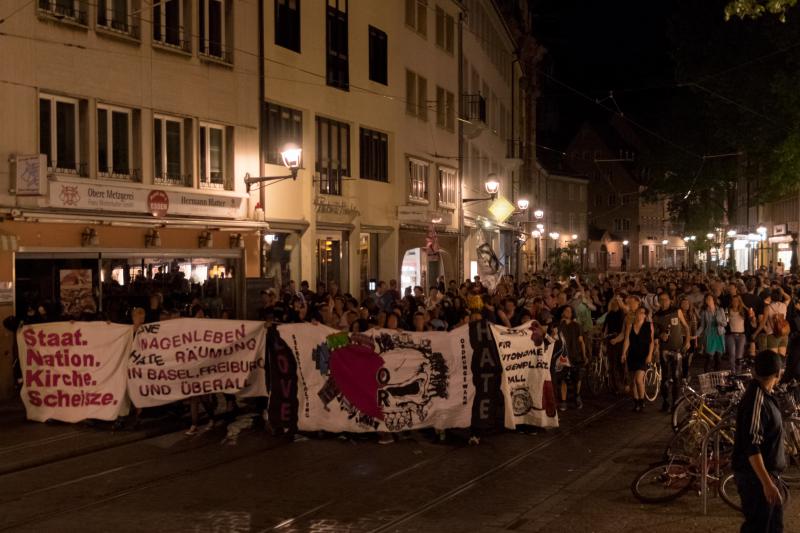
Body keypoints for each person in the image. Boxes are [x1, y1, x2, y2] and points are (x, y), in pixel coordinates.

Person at [732, 350, 787, 533]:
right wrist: (767, 484)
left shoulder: (765, 394)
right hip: (756, 480)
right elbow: (752, 445)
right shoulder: (757, 399)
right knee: (758, 527)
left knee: (774, 526)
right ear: (778, 373)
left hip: (767, 477)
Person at [652, 292, 690, 412]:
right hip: (665, 350)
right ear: (658, 301)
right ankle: (666, 403)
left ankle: (676, 403)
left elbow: (686, 327)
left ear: (670, 300)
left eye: (666, 299)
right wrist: (660, 335)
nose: (664, 302)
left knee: (677, 376)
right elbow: (654, 333)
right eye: (661, 300)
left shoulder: (676, 311)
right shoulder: (656, 316)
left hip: (677, 348)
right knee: (665, 379)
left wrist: (687, 341)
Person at [622, 306, 653, 412]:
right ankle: (636, 402)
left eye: (642, 313)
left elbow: (651, 342)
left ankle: (642, 400)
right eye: (638, 312)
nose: (640, 315)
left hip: (643, 356)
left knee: (638, 379)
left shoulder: (649, 325)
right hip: (632, 355)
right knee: (632, 381)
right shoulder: (630, 325)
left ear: (645, 315)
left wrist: (650, 355)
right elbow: (627, 340)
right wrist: (623, 353)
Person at [555, 305, 586, 410]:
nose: (567, 312)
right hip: (563, 356)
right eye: (565, 310)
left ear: (572, 314)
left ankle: (577, 396)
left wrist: (584, 355)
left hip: (575, 355)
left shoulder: (577, 326)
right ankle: (563, 401)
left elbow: (581, 341)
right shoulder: (559, 325)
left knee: (577, 378)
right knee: (563, 378)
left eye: (569, 311)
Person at [698, 293, 727, 372]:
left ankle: (717, 376)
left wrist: (720, 322)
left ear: (714, 300)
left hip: (719, 334)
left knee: (719, 357)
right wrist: (696, 334)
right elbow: (702, 326)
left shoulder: (720, 310)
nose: (708, 301)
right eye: (707, 299)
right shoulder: (704, 312)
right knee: (709, 357)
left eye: (710, 299)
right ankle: (706, 375)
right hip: (709, 335)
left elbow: (725, 323)